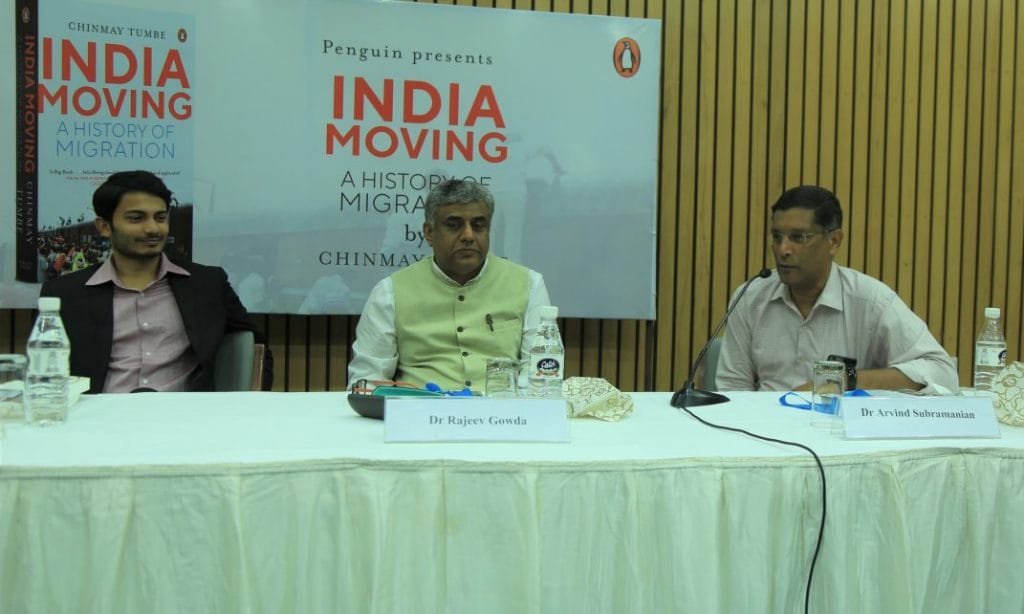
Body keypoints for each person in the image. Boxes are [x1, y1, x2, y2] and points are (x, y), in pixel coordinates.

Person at [40, 170, 270, 393]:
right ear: (104, 227)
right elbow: (43, 366)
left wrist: (244, 405)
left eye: (160, 217)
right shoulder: (65, 293)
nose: (152, 228)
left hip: (185, 420)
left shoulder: (206, 284)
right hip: (98, 419)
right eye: (136, 218)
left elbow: (257, 350)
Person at [716, 185, 957, 393]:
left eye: (798, 237)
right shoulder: (750, 297)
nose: (783, 249)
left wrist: (845, 379)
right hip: (766, 433)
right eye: (777, 236)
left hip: (840, 433)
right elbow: (732, 388)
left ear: (834, 241)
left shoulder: (870, 301)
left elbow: (942, 372)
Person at [348, 178, 552, 392]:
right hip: (420, 416)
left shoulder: (528, 284)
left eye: (479, 225)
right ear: (429, 233)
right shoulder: (390, 292)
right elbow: (366, 383)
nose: (468, 236)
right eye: (454, 226)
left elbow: (540, 374)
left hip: (501, 417)